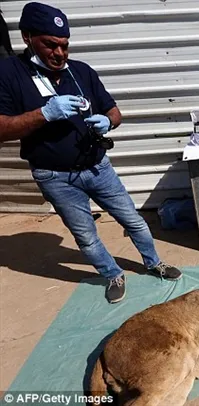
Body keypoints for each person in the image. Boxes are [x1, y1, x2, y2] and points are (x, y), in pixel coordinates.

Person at [0, 2, 182, 304]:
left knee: (133, 220)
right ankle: (112, 273)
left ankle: (153, 263)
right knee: (85, 235)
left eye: (65, 46)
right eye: (50, 45)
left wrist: (108, 121)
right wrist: (44, 113)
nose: (59, 53)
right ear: (27, 37)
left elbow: (114, 111)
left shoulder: (81, 72)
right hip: (54, 177)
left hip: (97, 167)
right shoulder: (9, 73)